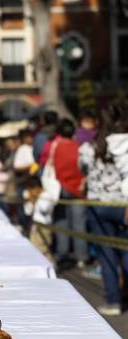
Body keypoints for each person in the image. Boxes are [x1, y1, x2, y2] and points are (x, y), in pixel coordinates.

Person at [78, 103, 128, 315]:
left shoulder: (89, 147)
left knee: (106, 254)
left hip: (98, 205)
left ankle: (113, 301)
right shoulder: (125, 144)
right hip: (122, 204)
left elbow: (82, 168)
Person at [48, 118, 88, 268]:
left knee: (61, 222)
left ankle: (62, 253)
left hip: (60, 189)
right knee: (79, 224)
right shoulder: (79, 147)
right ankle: (81, 257)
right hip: (78, 190)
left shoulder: (55, 147)